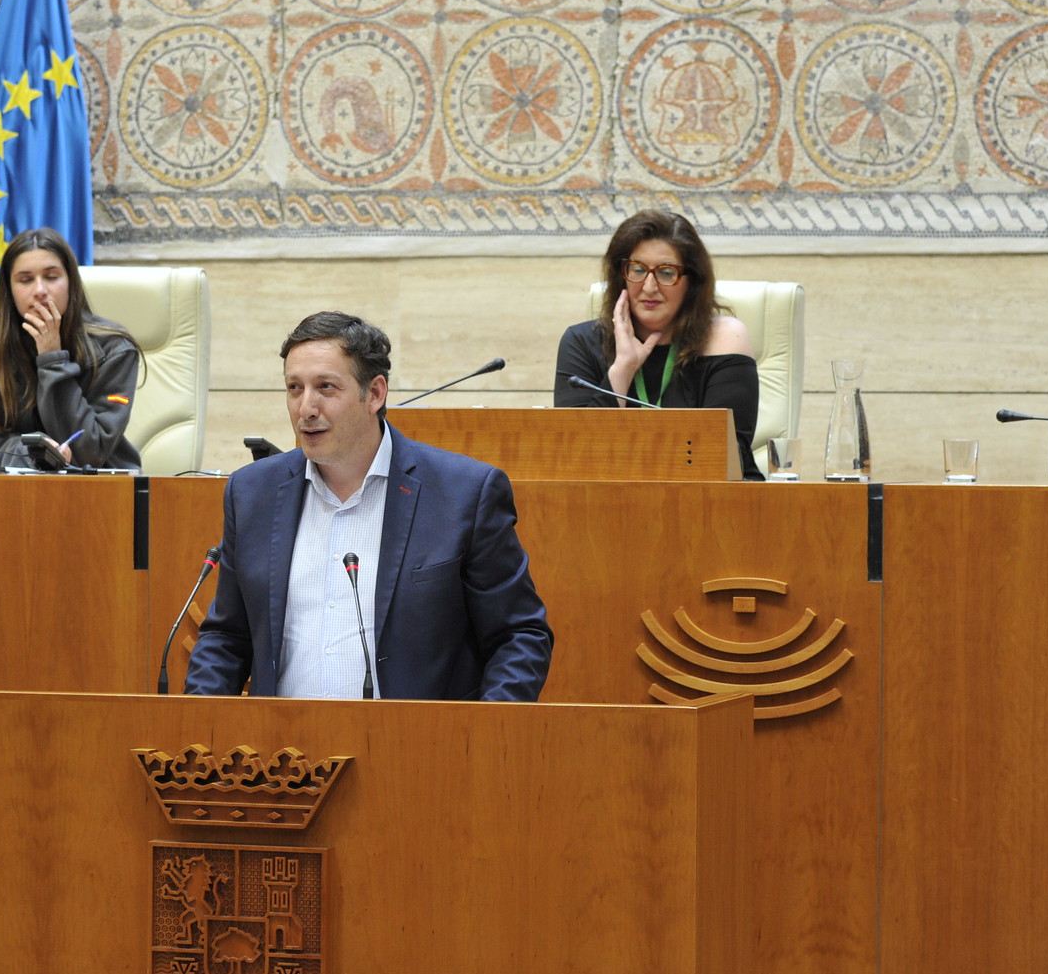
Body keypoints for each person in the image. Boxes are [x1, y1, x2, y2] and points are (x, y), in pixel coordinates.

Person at [185, 311, 553, 702]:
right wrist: (200, 726)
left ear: (375, 394)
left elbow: (519, 635)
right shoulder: (252, 492)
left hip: (416, 750)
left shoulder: (463, 493)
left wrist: (473, 739)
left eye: (326, 387)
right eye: (295, 388)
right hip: (286, 755)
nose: (305, 408)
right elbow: (227, 637)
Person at [554, 209, 764, 480]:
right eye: (638, 270)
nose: (649, 287)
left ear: (692, 282)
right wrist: (622, 369)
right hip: (613, 504)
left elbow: (724, 458)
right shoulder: (581, 342)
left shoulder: (724, 338)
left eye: (666, 272)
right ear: (622, 275)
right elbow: (575, 460)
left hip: (715, 503)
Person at [0, 228, 141, 472]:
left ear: (70, 283)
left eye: (51, 277)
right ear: (9, 290)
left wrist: (53, 359)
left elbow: (89, 451)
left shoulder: (116, 349)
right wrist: (36, 453)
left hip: (99, 490)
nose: (40, 290)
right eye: (25, 279)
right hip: (11, 488)